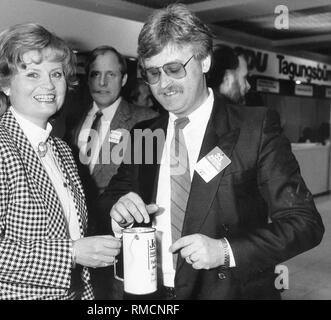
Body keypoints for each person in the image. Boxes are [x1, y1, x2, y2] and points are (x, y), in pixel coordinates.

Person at [98, 4, 324, 300]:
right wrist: (117, 210)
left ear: (204, 61)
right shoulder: (145, 133)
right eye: (153, 73)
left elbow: (305, 223)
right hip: (150, 294)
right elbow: (109, 200)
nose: (164, 84)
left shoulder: (253, 129)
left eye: (174, 69)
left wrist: (225, 250)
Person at [0, 23, 121, 300]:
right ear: (5, 84)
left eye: (56, 74)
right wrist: (73, 252)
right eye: (32, 74)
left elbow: (73, 228)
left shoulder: (62, 150)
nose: (48, 85)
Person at [65, 45, 157, 299]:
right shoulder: (71, 122)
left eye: (111, 75)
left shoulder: (146, 121)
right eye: (95, 74)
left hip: (120, 242)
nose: (102, 82)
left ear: (124, 79)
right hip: (77, 245)